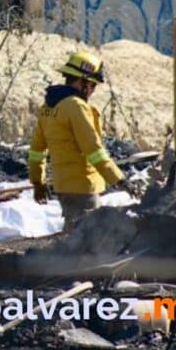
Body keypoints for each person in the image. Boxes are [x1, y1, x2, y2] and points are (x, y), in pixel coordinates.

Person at [27, 51, 127, 228]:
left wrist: (38, 183)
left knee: (73, 234)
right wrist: (119, 179)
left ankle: (64, 256)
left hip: (62, 186)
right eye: (93, 85)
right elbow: (93, 150)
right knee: (89, 239)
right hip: (83, 185)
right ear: (83, 82)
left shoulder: (48, 107)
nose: (93, 90)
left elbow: (36, 150)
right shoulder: (76, 106)